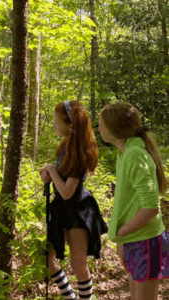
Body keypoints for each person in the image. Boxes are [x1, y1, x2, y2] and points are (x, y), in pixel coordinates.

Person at [98, 102, 169, 300]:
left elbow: (151, 207)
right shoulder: (125, 153)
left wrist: (122, 232)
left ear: (115, 128)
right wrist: (122, 239)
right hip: (134, 239)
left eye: (101, 124)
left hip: (145, 240)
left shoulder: (134, 154)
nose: (99, 128)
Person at [40, 100, 108, 300]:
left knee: (78, 264)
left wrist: (52, 170)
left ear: (70, 125)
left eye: (56, 121)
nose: (54, 125)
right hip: (62, 209)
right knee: (47, 260)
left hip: (78, 210)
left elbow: (67, 192)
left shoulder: (80, 153)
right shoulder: (65, 146)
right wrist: (50, 173)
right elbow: (62, 178)